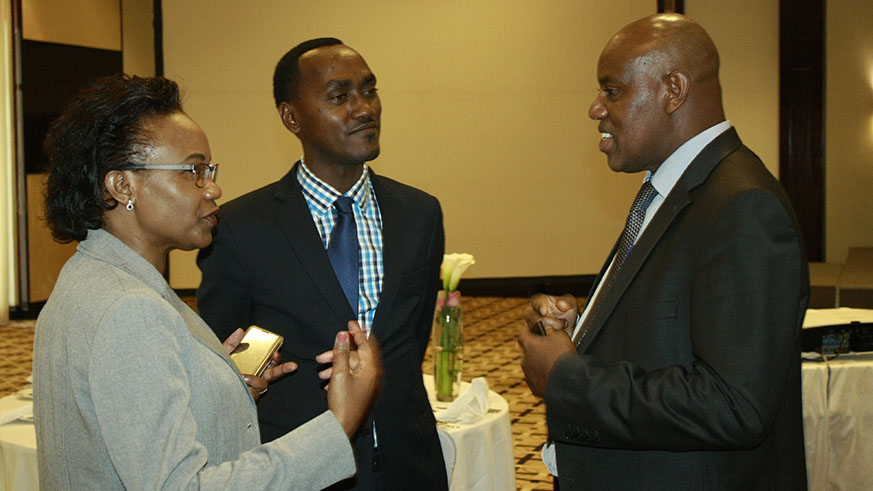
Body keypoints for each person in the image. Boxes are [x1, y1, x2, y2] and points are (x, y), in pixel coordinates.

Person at [33, 73, 382, 490]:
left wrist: (220, 393)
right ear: (122, 184)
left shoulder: (88, 277)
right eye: (193, 170)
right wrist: (339, 424)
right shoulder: (130, 309)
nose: (213, 187)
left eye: (209, 170)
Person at [517, 14, 808, 490]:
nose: (595, 108)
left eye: (612, 90)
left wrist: (568, 377)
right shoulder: (671, 187)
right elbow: (676, 326)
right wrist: (586, 328)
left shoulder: (743, 207)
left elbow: (734, 404)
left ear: (673, 90)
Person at [196, 38, 447, 489]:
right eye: (339, 96)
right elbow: (229, 360)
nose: (364, 108)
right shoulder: (239, 227)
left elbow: (411, 339)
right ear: (291, 116)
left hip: (407, 461)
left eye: (369, 90)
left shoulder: (419, 214)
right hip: (298, 465)